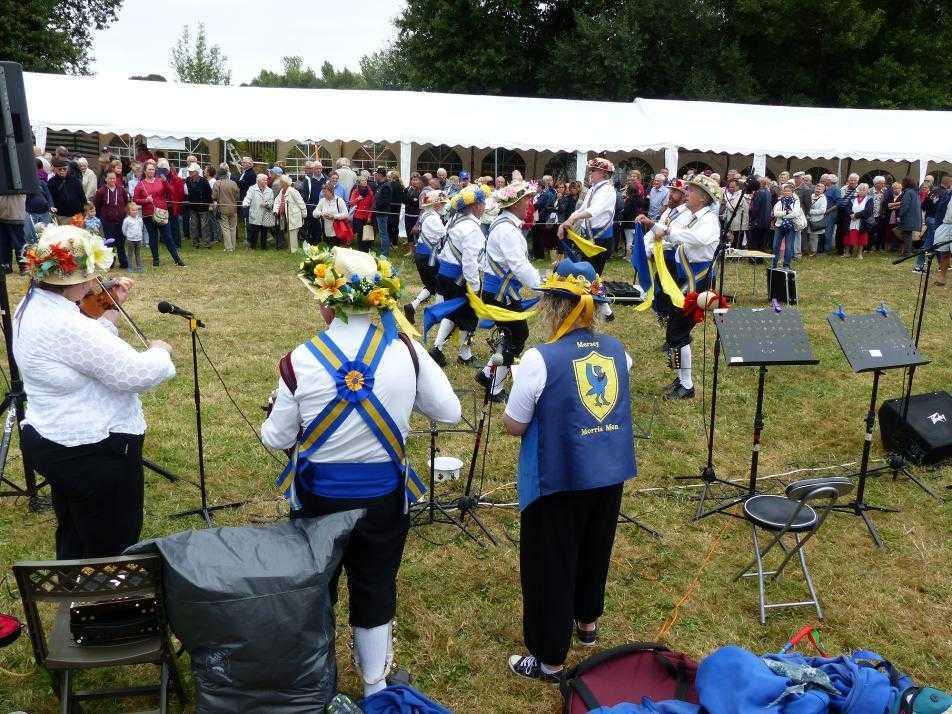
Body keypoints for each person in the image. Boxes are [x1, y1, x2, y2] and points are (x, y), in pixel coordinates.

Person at [261, 246, 460, 699]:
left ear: (325, 301)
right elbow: (449, 411)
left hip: (317, 499)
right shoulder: (406, 351)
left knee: (317, 587)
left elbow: (275, 438)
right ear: (377, 300)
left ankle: (315, 681)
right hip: (384, 498)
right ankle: (375, 685)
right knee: (375, 583)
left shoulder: (300, 359)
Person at [503, 259, 636, 683]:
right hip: (608, 471)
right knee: (595, 548)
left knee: (551, 563)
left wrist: (513, 387)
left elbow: (514, 424)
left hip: (558, 478)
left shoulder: (538, 359)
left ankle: (549, 660)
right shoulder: (619, 352)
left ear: (555, 307)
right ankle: (587, 623)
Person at [13, 225, 175, 559]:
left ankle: (73, 584)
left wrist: (107, 308)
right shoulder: (66, 324)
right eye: (89, 277)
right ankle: (107, 592)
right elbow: (133, 373)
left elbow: (83, 347)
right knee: (111, 543)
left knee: (77, 529)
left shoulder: (32, 304)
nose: (94, 283)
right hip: (92, 451)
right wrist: (161, 352)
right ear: (74, 280)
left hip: (57, 441)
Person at [639, 176, 721, 400]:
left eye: (691, 191)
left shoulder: (709, 220)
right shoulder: (692, 216)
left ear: (703, 198)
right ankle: (681, 379)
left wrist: (666, 231)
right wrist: (654, 227)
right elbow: (673, 231)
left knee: (678, 331)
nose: (687, 194)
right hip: (686, 278)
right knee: (675, 330)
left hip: (698, 280)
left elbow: (697, 239)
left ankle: (687, 385)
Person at [476, 181, 541, 402]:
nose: (529, 204)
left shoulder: (505, 224)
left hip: (500, 292)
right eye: (526, 200)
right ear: (514, 204)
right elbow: (519, 265)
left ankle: (487, 374)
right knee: (518, 335)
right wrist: (540, 287)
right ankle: (494, 388)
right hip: (500, 294)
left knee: (510, 333)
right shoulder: (507, 229)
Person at [428, 185, 489, 367]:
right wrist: (475, 286)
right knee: (468, 316)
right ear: (475, 206)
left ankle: (439, 349)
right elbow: (470, 261)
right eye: (483, 203)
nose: (484, 207)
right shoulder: (472, 228)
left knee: (455, 313)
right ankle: (463, 355)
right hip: (459, 278)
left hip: (447, 275)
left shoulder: (456, 221)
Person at [558, 158, 617, 279]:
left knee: (592, 275)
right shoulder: (592, 189)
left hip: (600, 239)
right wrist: (566, 222)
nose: (590, 172)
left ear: (603, 173)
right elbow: (582, 209)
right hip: (588, 238)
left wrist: (573, 218)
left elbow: (593, 211)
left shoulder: (608, 190)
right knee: (583, 273)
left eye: (593, 170)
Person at [403, 190, 447, 322]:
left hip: (422, 254)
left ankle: (413, 305)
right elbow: (444, 233)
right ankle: (438, 314)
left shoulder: (426, 215)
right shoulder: (433, 218)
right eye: (442, 203)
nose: (444, 206)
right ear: (436, 205)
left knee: (431, 285)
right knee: (440, 286)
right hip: (429, 256)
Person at [133, 160, 186, 267]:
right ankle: (156, 260)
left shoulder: (160, 181)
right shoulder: (140, 184)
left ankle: (177, 259)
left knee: (168, 237)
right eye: (149, 169)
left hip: (161, 213)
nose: (151, 171)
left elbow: (171, 191)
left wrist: (166, 182)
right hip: (148, 215)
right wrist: (146, 200)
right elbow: (135, 199)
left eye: (153, 169)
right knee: (153, 237)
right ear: (145, 171)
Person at [93, 170, 129, 268]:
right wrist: (102, 218)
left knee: (121, 242)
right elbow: (97, 206)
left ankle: (123, 262)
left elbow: (126, 202)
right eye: (110, 178)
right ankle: (110, 262)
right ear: (106, 179)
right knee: (109, 243)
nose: (112, 180)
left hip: (120, 220)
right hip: (107, 222)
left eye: (114, 178)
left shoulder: (121, 190)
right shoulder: (101, 191)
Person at [771, 182, 805, 269]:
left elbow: (795, 213)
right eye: (785, 191)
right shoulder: (780, 202)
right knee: (775, 246)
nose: (787, 192)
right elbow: (775, 213)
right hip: (779, 226)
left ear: (792, 192)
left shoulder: (796, 202)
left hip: (791, 226)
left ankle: (786, 265)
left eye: (788, 191)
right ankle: (774, 264)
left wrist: (783, 215)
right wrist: (786, 212)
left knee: (789, 247)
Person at [48, 158, 87, 226]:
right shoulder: (51, 182)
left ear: (68, 169)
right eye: (60, 169)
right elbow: (50, 198)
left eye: (64, 169)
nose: (62, 171)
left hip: (77, 214)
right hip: (62, 215)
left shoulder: (75, 181)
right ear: (55, 169)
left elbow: (82, 196)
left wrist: (84, 210)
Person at [273, 174, 306, 252]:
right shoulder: (282, 191)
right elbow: (277, 201)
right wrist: (275, 210)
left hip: (293, 215)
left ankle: (293, 250)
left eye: (281, 182)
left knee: (292, 232)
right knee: (287, 232)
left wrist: (304, 213)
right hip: (284, 215)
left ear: (285, 183)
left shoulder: (293, 191)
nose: (279, 184)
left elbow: (300, 202)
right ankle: (289, 247)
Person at [242, 174, 275, 250]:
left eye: (266, 180)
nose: (266, 181)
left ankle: (263, 247)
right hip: (255, 213)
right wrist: (245, 203)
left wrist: (267, 204)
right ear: (258, 181)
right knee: (254, 232)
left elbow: (271, 201)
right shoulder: (252, 189)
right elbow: (248, 198)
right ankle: (253, 247)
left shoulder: (269, 190)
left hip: (265, 214)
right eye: (264, 180)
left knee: (264, 232)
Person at [159, 158, 186, 249]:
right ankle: (166, 241)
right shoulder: (158, 177)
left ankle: (177, 243)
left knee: (174, 224)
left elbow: (174, 192)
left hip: (172, 205)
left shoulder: (176, 179)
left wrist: (165, 182)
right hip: (163, 204)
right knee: (163, 224)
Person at [184, 163, 213, 248]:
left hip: (203, 207)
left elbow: (209, 193)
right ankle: (195, 243)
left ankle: (206, 243)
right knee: (193, 225)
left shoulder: (204, 181)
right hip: (193, 206)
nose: (190, 172)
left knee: (204, 226)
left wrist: (209, 204)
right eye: (189, 171)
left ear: (196, 172)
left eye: (191, 171)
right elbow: (187, 192)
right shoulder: (188, 180)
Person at [212, 167, 240, 252]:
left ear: (218, 175)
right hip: (233, 208)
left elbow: (214, 196)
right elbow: (237, 196)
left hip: (223, 208)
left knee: (225, 228)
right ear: (226, 174)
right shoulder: (233, 183)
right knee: (233, 227)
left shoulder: (217, 183)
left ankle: (229, 248)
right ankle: (233, 247)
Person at [845, 182, 873, 260]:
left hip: (862, 222)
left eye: (864, 190)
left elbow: (868, 211)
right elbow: (847, 208)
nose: (862, 191)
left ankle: (859, 254)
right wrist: (851, 214)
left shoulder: (869, 199)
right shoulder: (852, 199)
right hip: (852, 221)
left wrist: (856, 215)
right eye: (860, 189)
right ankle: (851, 252)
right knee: (851, 236)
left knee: (862, 237)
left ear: (867, 191)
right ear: (858, 190)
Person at [370, 167, 393, 257]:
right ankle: (383, 251)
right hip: (379, 212)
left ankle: (384, 253)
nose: (375, 176)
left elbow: (385, 201)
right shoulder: (380, 185)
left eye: (376, 175)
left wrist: (376, 207)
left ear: (380, 175)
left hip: (382, 213)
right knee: (382, 233)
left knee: (383, 233)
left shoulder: (386, 186)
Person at [932, 186, 952, 286]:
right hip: (946, 224)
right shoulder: (947, 194)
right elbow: (939, 210)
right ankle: (942, 278)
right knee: (944, 253)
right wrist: (937, 226)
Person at [349, 177, 375, 253]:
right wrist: (358, 199)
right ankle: (360, 250)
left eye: (365, 180)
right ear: (359, 183)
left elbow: (372, 205)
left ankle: (367, 249)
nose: (365, 182)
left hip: (367, 216)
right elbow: (351, 202)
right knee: (360, 233)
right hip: (358, 215)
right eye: (363, 180)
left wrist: (369, 216)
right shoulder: (356, 191)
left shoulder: (370, 192)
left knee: (367, 232)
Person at [748, 177, 773, 252]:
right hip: (766, 221)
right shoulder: (768, 193)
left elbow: (755, 208)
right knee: (762, 242)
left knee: (754, 241)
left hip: (757, 221)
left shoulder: (758, 192)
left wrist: (751, 219)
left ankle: (753, 257)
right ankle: (760, 256)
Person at [722, 178, 749, 246]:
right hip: (732, 224)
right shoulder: (734, 194)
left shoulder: (740, 196)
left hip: (738, 225)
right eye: (729, 187)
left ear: (737, 187)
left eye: (732, 187)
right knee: (731, 243)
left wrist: (726, 202)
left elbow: (733, 208)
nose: (730, 189)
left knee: (735, 244)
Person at [806, 181, 828, 256]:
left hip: (816, 220)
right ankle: (809, 249)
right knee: (809, 235)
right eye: (817, 188)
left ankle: (814, 251)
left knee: (814, 236)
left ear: (823, 190)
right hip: (808, 219)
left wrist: (811, 212)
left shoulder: (823, 198)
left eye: (820, 189)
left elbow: (823, 210)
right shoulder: (811, 195)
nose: (817, 190)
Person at [122, 202, 145, 272]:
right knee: (130, 254)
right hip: (130, 240)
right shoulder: (127, 220)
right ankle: (130, 267)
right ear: (129, 211)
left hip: (138, 239)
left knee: (138, 253)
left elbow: (141, 227)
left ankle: (139, 267)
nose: (135, 212)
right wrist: (128, 235)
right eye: (133, 210)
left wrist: (139, 235)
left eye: (136, 210)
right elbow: (124, 229)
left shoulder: (139, 219)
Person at [823, 175, 842, 254]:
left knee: (828, 232)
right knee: (825, 231)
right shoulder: (827, 188)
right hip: (825, 213)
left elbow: (839, 203)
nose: (825, 180)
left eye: (827, 179)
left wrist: (829, 210)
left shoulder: (836, 189)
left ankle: (827, 249)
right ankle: (824, 248)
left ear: (830, 181)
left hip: (831, 213)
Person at [403, 173, 423, 243]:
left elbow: (418, 204)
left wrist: (412, 201)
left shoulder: (421, 191)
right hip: (408, 214)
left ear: (419, 181)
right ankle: (410, 247)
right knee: (409, 231)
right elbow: (404, 200)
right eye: (413, 180)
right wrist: (412, 200)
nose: (414, 182)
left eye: (416, 180)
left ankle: (417, 246)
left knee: (417, 232)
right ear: (411, 181)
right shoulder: (407, 189)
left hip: (417, 215)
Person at [387, 171, 405, 249]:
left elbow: (389, 196)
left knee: (390, 225)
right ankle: (395, 243)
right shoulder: (401, 185)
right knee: (395, 225)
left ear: (392, 177)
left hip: (391, 206)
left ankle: (390, 242)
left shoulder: (391, 185)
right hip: (398, 207)